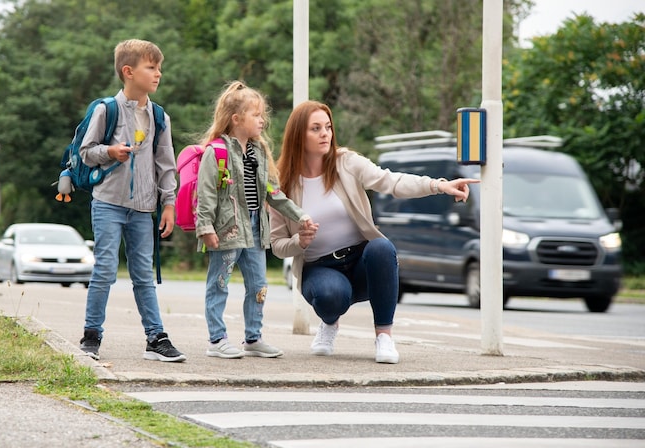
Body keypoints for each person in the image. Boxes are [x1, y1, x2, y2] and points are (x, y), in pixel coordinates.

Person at [269, 101, 478, 363]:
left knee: (382, 247)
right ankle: (330, 324)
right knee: (331, 296)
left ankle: (384, 337)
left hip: (360, 261)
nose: (325, 133)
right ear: (299, 135)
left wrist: (438, 185)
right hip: (319, 267)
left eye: (328, 127)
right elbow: (277, 244)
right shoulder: (282, 183)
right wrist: (299, 241)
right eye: (315, 128)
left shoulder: (346, 162)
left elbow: (391, 181)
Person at [77, 39, 185, 363]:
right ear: (128, 71)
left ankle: (156, 338)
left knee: (143, 275)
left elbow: (167, 164)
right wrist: (109, 152)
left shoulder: (159, 116)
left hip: (144, 207)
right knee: (105, 269)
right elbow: (86, 152)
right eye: (151, 67)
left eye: (159, 68)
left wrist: (169, 203)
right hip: (108, 202)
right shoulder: (105, 109)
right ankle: (90, 336)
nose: (158, 74)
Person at [195, 81, 314, 359]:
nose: (263, 120)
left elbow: (274, 194)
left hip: (255, 229)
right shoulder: (217, 152)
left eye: (263, 115)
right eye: (257, 115)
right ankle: (217, 339)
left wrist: (301, 215)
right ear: (236, 119)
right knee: (219, 284)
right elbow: (206, 193)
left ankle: (253, 337)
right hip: (226, 229)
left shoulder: (259, 153)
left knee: (258, 286)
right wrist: (205, 227)